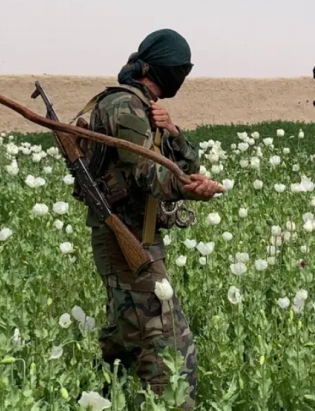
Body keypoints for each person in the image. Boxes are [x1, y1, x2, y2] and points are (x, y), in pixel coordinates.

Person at [73, 28, 223, 410]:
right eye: (181, 70)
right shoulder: (123, 106)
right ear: (166, 68)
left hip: (138, 238)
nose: (182, 78)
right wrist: (187, 189)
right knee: (170, 346)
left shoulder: (143, 105)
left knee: (127, 336)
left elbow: (184, 164)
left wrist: (171, 131)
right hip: (123, 237)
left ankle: (106, 398)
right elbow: (147, 175)